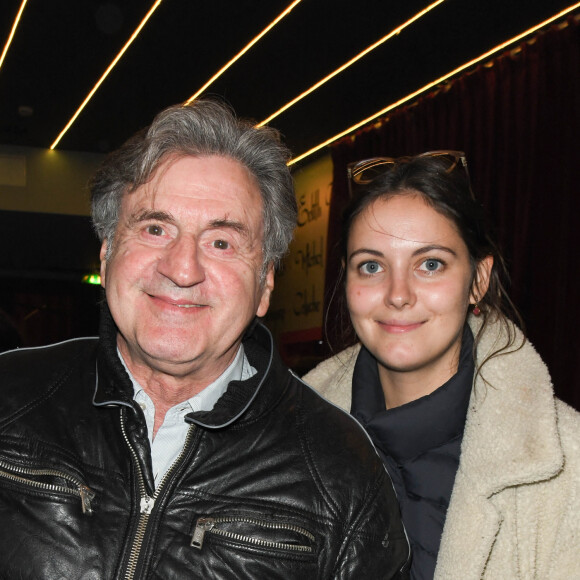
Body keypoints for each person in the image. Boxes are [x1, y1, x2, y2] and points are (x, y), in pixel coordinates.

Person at [0, 100, 410, 579]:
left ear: (265, 284)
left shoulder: (343, 470)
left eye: (221, 242)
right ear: (108, 253)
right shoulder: (10, 396)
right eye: (155, 228)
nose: (182, 268)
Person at [304, 151, 580, 580]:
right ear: (347, 283)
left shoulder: (567, 466)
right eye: (371, 266)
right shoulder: (288, 438)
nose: (398, 294)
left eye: (430, 264)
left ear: (478, 281)